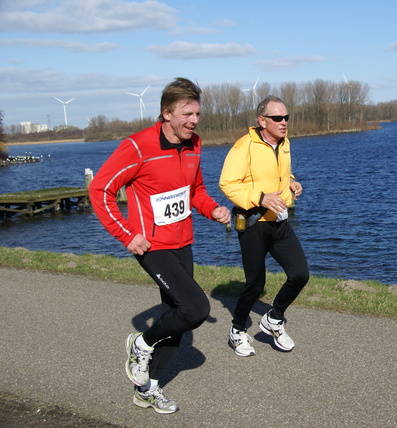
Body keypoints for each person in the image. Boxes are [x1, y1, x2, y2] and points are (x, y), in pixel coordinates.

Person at [88, 77, 230, 414]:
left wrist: (213, 209)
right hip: (151, 245)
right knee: (196, 309)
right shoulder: (137, 147)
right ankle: (141, 343)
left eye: (197, 113)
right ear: (166, 113)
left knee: (177, 321)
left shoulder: (193, 144)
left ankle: (147, 388)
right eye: (187, 113)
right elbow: (100, 189)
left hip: (183, 242)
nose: (194, 120)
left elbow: (195, 189)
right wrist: (125, 234)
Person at [219, 95, 309, 357]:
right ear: (262, 120)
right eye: (278, 118)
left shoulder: (283, 143)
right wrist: (260, 197)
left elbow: (277, 171)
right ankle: (237, 330)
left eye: (286, 118)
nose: (284, 123)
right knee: (256, 285)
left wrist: (291, 181)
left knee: (300, 274)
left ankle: (273, 319)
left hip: (279, 221)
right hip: (253, 223)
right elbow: (228, 183)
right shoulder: (243, 146)